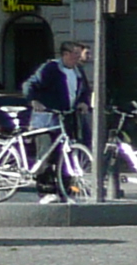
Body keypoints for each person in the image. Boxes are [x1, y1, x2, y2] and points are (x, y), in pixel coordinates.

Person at [24, 40, 91, 202]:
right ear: (66, 54)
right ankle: (46, 191)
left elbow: (85, 91)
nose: (79, 57)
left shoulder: (78, 71)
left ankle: (66, 192)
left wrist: (83, 102)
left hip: (67, 118)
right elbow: (30, 84)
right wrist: (33, 101)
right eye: (76, 54)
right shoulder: (50, 68)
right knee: (46, 155)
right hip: (47, 120)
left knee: (66, 155)